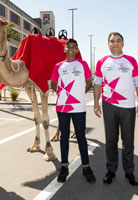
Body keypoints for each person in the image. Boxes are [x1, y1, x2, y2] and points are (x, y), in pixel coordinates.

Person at [93, 32, 138, 185]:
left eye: (118, 41)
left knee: (128, 141)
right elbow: (97, 84)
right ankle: (111, 171)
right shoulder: (102, 61)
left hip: (128, 106)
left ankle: (129, 172)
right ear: (108, 44)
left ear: (123, 43)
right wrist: (96, 103)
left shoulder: (131, 61)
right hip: (109, 105)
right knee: (111, 140)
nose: (115, 43)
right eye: (112, 41)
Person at [50, 39, 96, 183]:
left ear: (77, 49)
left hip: (79, 107)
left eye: (73, 47)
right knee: (64, 136)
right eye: (68, 47)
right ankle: (64, 167)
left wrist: (80, 95)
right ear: (65, 49)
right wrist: (62, 92)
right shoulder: (58, 66)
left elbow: (89, 82)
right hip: (62, 107)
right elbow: (53, 83)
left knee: (81, 136)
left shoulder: (82, 64)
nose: (70, 49)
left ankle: (86, 167)